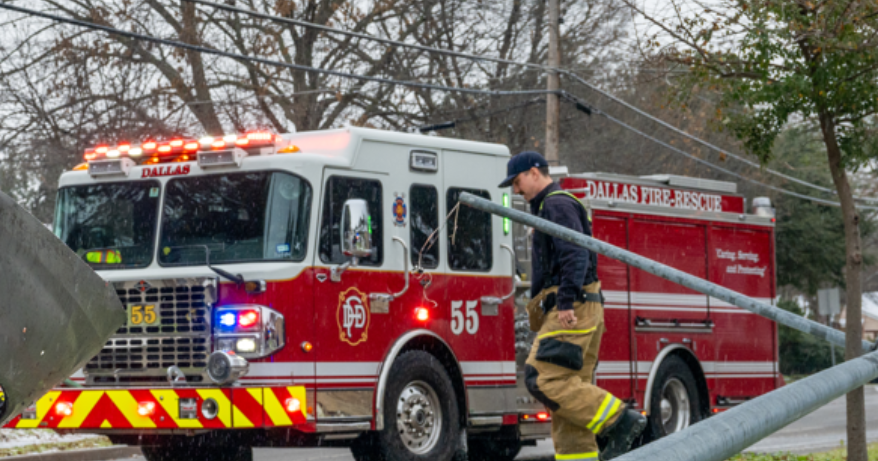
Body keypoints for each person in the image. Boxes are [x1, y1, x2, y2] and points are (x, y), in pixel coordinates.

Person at [500, 152, 646, 461]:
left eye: (518, 181)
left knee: (541, 377)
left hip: (572, 308)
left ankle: (619, 421)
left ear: (534, 172)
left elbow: (576, 253)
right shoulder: (552, 206)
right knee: (568, 402)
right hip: (581, 305)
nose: (516, 190)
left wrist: (565, 301)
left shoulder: (556, 204)